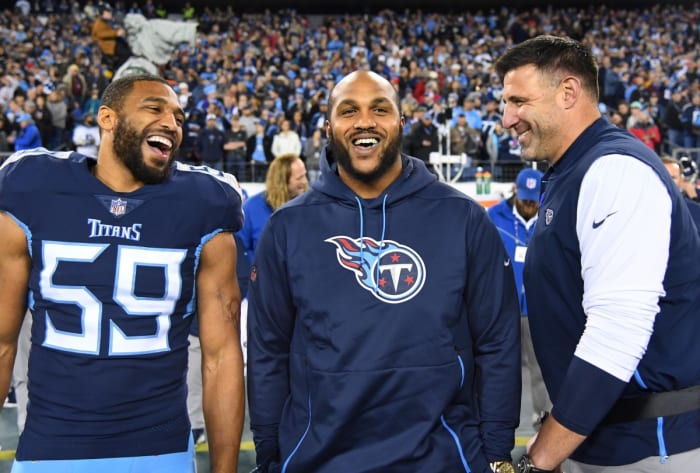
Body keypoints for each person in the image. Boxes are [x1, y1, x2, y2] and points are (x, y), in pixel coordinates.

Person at [247, 70, 520, 473]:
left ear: (401, 122)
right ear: (327, 127)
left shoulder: (461, 218)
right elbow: (268, 350)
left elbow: (497, 341)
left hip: (442, 457)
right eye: (348, 111)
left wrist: (496, 450)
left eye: (380, 109)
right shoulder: (287, 228)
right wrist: (270, 449)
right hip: (317, 459)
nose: (364, 122)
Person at [0, 74, 245, 472]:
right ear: (107, 118)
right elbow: (2, 343)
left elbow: (220, 356)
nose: (171, 122)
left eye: (179, 118)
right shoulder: (33, 188)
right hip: (51, 445)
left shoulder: (203, 203)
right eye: (155, 108)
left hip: (159, 448)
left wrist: (224, 468)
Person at [495, 35, 700, 472]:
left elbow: (618, 330)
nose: (506, 118)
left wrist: (540, 459)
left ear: (568, 92)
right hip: (607, 439)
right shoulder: (573, 171)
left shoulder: (614, 171)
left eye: (517, 101)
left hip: (649, 448)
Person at [487, 168, 552, 430]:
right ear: (515, 190)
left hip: (539, 310)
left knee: (541, 369)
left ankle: (544, 418)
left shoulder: (550, 217)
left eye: (533, 199)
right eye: (525, 198)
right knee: (500, 368)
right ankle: (496, 421)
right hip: (504, 308)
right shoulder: (494, 217)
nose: (528, 204)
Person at [236, 153, 308, 265]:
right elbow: (240, 249)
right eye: (299, 178)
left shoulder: (310, 207)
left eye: (305, 175)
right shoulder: (251, 208)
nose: (305, 182)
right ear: (282, 181)